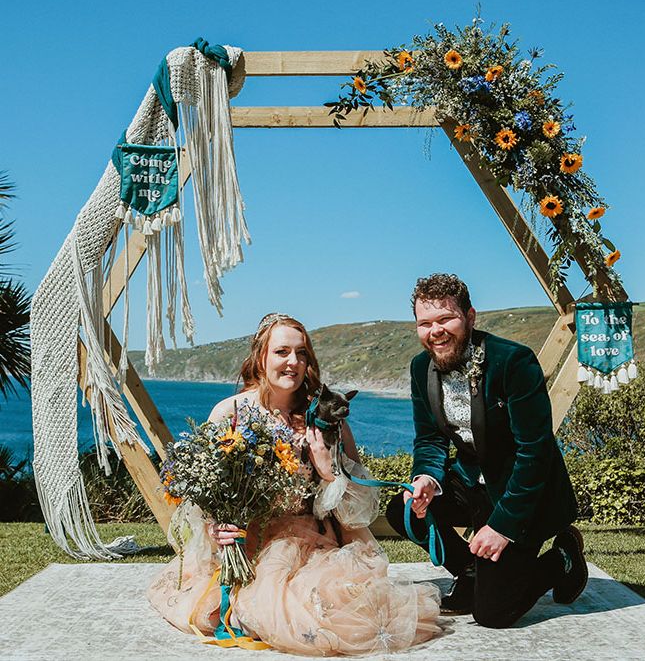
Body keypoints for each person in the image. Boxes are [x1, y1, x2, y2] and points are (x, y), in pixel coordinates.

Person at [148, 313, 442, 656]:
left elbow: (358, 508)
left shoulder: (327, 419)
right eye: (282, 352)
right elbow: (201, 494)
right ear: (261, 357)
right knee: (242, 611)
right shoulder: (230, 413)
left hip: (314, 540)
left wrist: (329, 471)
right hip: (249, 541)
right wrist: (215, 527)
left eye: (301, 353)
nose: (293, 362)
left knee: (336, 614)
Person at [386, 273, 588, 627]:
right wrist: (428, 479)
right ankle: (470, 571)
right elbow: (431, 439)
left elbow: (535, 452)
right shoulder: (421, 367)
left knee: (492, 614)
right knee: (401, 510)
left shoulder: (514, 362)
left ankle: (562, 558)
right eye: (425, 323)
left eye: (446, 319)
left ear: (470, 317)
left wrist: (502, 527)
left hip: (522, 496)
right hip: (472, 483)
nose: (435, 331)